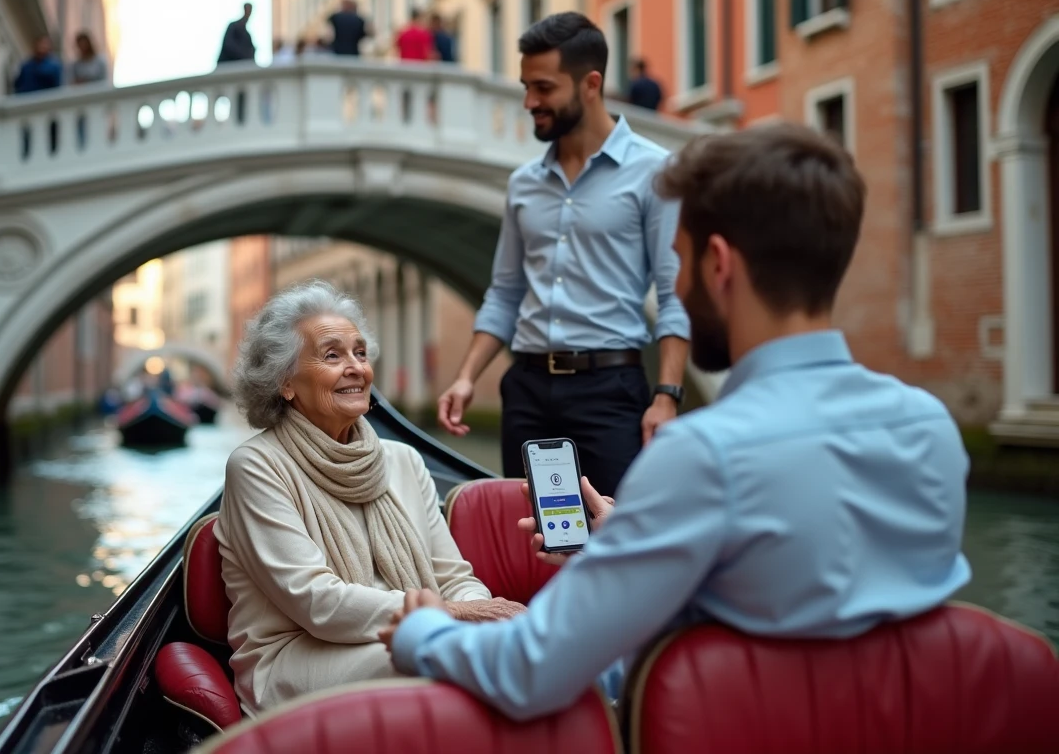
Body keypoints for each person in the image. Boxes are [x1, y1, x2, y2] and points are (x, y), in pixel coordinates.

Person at [382, 122, 971, 721]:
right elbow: (806, 607)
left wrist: (421, 631)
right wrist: (628, 540)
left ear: (718, 265)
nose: (677, 289)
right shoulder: (929, 429)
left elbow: (531, 670)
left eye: (678, 263)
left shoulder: (701, 456)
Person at [218, 280, 525, 715]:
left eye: (360, 353)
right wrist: (456, 616)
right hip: (295, 657)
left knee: (497, 647)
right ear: (285, 382)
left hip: (415, 630)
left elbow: (452, 575)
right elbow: (316, 602)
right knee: (442, 655)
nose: (356, 368)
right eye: (332, 355)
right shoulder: (255, 466)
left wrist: (483, 612)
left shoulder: (403, 460)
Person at [436, 12, 689, 498]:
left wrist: (668, 395)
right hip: (527, 390)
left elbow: (674, 293)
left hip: (610, 393)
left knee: (611, 539)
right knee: (535, 541)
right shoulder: (523, 184)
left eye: (544, 88)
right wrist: (467, 377)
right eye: (526, 87)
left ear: (590, 84)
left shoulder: (656, 172)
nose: (530, 102)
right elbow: (505, 293)